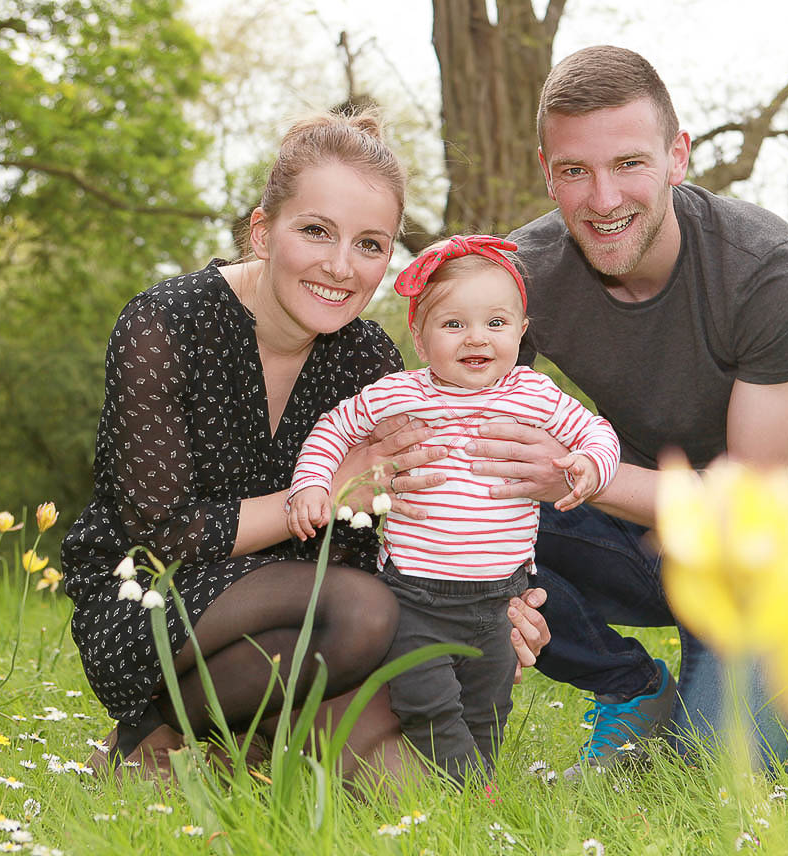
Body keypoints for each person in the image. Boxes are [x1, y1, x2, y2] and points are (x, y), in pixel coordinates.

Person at [60, 111, 550, 780]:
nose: (342, 267)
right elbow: (164, 536)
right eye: (316, 231)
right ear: (263, 232)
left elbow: (414, 514)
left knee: (434, 709)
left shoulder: (368, 361)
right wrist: (332, 490)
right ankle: (152, 736)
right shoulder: (165, 323)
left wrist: (490, 603)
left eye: (371, 244)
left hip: (307, 625)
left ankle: (243, 756)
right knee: (365, 610)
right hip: (153, 600)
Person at [461, 45, 788, 780]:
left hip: (768, 546)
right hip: (635, 533)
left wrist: (573, 473)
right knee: (461, 500)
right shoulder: (521, 275)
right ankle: (632, 687)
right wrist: (492, 585)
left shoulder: (766, 268)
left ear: (677, 156)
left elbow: (747, 507)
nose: (604, 199)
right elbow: (465, 433)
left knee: (718, 772)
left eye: (629, 164)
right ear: (547, 170)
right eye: (575, 171)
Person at [286, 235, 620, 785]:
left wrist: (587, 463)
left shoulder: (533, 393)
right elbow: (332, 429)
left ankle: (474, 792)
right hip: (415, 592)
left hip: (500, 595)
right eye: (454, 325)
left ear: (520, 330)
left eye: (496, 323)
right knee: (425, 697)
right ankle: (468, 789)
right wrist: (312, 485)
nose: (477, 339)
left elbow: (595, 431)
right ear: (420, 338)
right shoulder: (399, 394)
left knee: (487, 707)